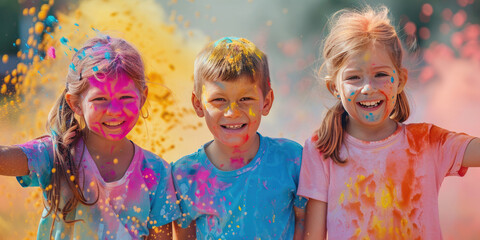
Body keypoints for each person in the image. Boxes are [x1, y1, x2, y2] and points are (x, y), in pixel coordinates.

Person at [298, 6, 480, 239]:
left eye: (381, 74)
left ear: (401, 80)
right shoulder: (321, 150)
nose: (368, 88)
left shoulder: (427, 142)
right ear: (334, 87)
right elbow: (312, 235)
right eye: (354, 77)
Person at [0, 35, 180, 239]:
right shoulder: (55, 155)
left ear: (143, 97)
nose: (114, 110)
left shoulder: (157, 173)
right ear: (75, 103)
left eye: (126, 97)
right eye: (100, 99)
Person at [171, 37, 307, 239]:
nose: (232, 112)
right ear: (198, 104)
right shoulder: (185, 175)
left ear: (267, 102)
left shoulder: (291, 159)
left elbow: (304, 225)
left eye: (245, 99)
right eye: (219, 100)